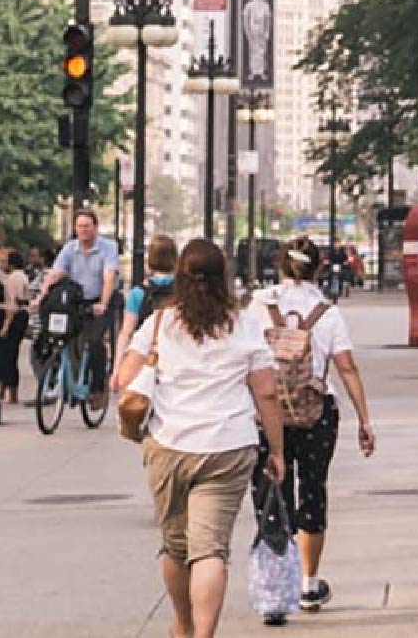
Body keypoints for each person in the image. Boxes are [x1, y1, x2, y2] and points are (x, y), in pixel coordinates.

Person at [111, 237, 288, 638]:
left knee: (176, 546)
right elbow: (266, 392)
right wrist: (276, 450)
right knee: (210, 550)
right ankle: (204, 634)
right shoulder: (243, 325)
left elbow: (123, 379)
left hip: (169, 443)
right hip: (228, 444)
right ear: (224, 278)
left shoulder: (160, 323)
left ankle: (184, 624)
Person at [256, 237, 376, 612]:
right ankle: (308, 583)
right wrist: (364, 420)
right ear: (319, 268)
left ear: (280, 265)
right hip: (316, 414)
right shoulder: (327, 313)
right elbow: (346, 367)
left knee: (273, 494)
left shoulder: (259, 306)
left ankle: (276, 587)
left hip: (268, 413)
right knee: (312, 490)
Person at [45, 206, 124, 360]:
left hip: (100, 300)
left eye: (87, 226)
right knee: (56, 337)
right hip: (77, 300)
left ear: (95, 227)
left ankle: (97, 382)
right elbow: (55, 274)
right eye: (80, 226)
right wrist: (42, 295)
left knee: (95, 343)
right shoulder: (69, 248)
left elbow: (109, 277)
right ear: (75, 228)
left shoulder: (109, 247)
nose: (83, 230)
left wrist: (103, 303)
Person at [0, 249, 32, 400]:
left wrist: (5, 326)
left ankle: (11, 392)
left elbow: (12, 304)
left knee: (7, 356)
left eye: (5, 261)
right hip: (21, 316)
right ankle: (4, 389)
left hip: (15, 318)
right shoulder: (21, 276)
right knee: (9, 355)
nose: (2, 264)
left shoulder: (14, 278)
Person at [128, 232, 179, 332]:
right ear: (175, 258)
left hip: (147, 345)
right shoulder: (184, 290)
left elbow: (127, 331)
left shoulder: (138, 292)